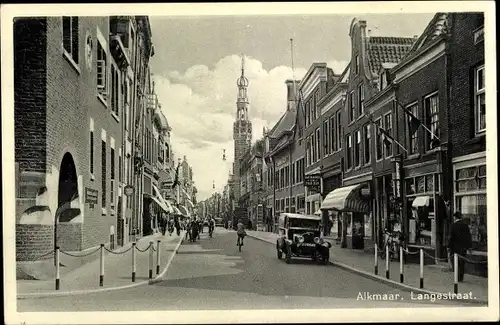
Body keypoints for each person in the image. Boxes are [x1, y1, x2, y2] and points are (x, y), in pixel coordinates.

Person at [447, 211, 472, 282]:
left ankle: (457, 276)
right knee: (462, 263)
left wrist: (449, 246)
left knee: (455, 262)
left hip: (455, 247)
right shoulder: (465, 225)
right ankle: (461, 277)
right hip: (463, 247)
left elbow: (451, 237)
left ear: (455, 217)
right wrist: (469, 246)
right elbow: (468, 236)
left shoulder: (453, 225)